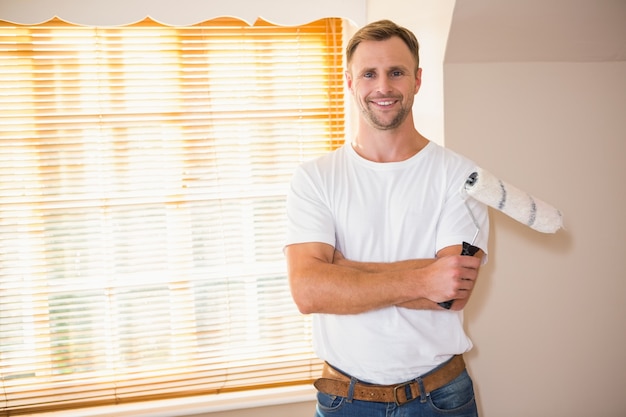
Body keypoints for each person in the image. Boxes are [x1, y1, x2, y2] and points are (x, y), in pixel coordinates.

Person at [284, 19, 489, 417]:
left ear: (417, 80)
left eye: (396, 72)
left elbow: (451, 292)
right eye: (369, 74)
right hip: (343, 400)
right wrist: (423, 277)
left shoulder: (462, 177)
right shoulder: (316, 177)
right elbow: (308, 292)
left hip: (440, 398)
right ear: (349, 81)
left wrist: (343, 270)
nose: (383, 87)